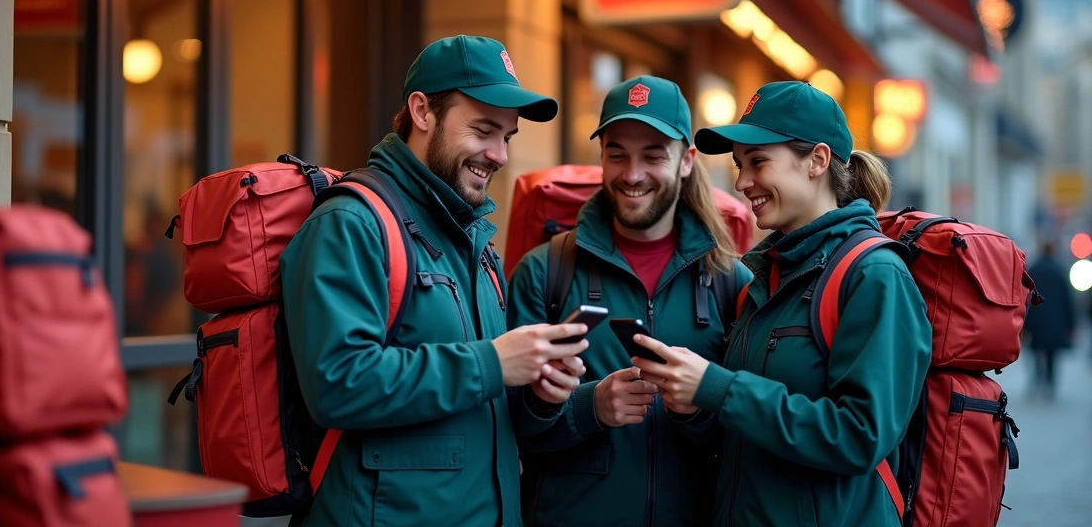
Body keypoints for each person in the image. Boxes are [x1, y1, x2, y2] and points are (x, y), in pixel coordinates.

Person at [280, 35, 590, 527]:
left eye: (506, 137)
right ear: (422, 111)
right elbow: (337, 383)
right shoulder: (351, 224)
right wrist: (493, 361)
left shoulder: (475, 243)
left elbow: (486, 402)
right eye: (484, 130)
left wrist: (539, 393)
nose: (500, 155)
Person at [629, 81, 931, 526]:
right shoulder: (768, 277)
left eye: (758, 161)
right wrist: (694, 408)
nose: (741, 181)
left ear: (818, 160)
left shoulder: (874, 276)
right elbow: (746, 435)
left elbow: (861, 437)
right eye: (738, 164)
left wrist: (718, 387)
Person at [507, 76, 753, 526]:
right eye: (616, 153)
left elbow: (748, 438)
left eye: (653, 155)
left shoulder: (731, 281)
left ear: (685, 162)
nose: (632, 174)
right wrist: (590, 407)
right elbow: (508, 430)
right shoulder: (544, 273)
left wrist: (697, 410)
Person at [1023, 240, 1077, 401]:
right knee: (1051, 354)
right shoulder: (1059, 271)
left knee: (1036, 352)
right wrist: (1071, 325)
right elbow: (1067, 300)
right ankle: (1050, 383)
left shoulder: (1034, 270)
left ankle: (1037, 380)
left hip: (1036, 320)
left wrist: (1023, 322)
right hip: (1055, 322)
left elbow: (1025, 296)